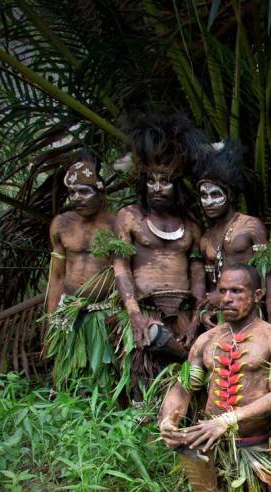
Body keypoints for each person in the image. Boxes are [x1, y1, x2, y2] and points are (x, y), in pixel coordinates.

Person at [158, 263, 271, 492]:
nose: (227, 298)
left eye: (236, 291)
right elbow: (185, 386)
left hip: (257, 450)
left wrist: (230, 418)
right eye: (222, 291)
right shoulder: (207, 340)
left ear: (257, 295)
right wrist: (168, 419)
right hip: (213, 447)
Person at [113, 115, 204, 402]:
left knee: (181, 371)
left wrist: (195, 320)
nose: (156, 187)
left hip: (183, 312)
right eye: (151, 180)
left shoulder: (191, 226)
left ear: (177, 186)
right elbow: (120, 267)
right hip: (145, 309)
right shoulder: (129, 217)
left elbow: (199, 276)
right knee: (146, 365)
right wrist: (135, 315)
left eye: (164, 181)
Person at [43, 155, 126, 391]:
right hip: (69, 309)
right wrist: (52, 318)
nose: (77, 198)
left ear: (101, 193)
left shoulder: (116, 225)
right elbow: (57, 275)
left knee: (107, 374)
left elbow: (123, 273)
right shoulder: (61, 224)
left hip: (104, 312)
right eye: (72, 193)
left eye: (84, 192)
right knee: (70, 375)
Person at [193, 139, 271, 324]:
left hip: (251, 311)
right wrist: (207, 311)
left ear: (229, 195)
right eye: (204, 196)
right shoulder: (206, 237)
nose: (209, 202)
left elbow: (268, 275)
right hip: (224, 312)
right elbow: (213, 285)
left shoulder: (251, 225)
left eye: (215, 195)